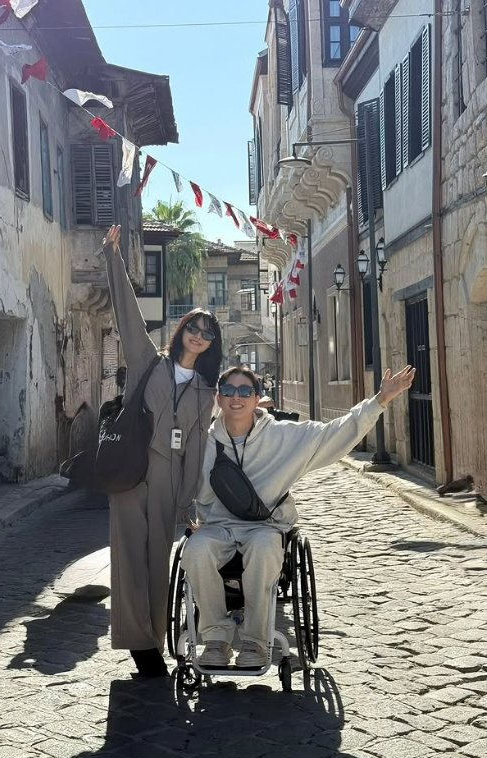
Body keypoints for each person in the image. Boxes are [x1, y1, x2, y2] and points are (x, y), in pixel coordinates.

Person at [181, 363, 415, 669]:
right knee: (196, 549)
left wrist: (380, 400)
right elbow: (175, 477)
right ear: (219, 397)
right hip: (218, 525)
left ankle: (255, 641)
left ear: (257, 398)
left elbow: (334, 432)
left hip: (266, 525)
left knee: (265, 548)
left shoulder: (283, 435)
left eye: (244, 391)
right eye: (228, 390)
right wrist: (182, 512)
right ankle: (215, 639)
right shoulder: (201, 441)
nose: (236, 397)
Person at [103, 224, 223, 678]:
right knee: (129, 557)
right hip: (132, 472)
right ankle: (139, 645)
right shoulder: (149, 361)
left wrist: (189, 500)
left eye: (206, 333)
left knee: (158, 560)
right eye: (193, 327)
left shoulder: (205, 390)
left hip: (169, 478)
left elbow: (196, 444)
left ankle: (154, 636)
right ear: (181, 330)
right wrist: (113, 257)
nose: (198, 335)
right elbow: (128, 316)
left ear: (211, 344)